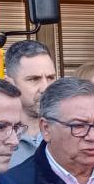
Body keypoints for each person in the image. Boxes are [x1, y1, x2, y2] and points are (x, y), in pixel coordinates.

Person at [4, 39, 58, 168]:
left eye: (50, 78)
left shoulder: (70, 132)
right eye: (34, 79)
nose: (45, 87)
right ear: (10, 85)